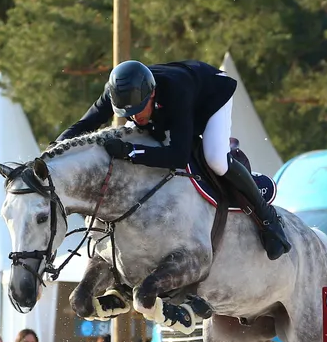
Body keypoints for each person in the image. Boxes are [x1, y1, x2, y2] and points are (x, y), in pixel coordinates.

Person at [57, 59, 292, 259]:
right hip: (171, 107)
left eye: (139, 109)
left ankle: (268, 218)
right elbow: (84, 125)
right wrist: (54, 151)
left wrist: (131, 151)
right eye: (129, 113)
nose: (135, 118)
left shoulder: (176, 91)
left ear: (152, 93)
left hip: (211, 95)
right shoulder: (117, 93)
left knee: (216, 159)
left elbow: (178, 156)